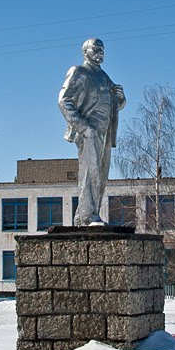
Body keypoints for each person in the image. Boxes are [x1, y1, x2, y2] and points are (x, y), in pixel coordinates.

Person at [58, 38, 126, 225]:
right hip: (89, 130)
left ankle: (90, 215)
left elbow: (111, 104)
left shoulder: (103, 76)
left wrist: (120, 100)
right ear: (85, 51)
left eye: (102, 49)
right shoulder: (79, 72)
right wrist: (84, 128)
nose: (100, 52)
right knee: (90, 171)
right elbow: (64, 101)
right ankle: (87, 217)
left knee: (101, 175)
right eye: (96, 49)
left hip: (105, 132)